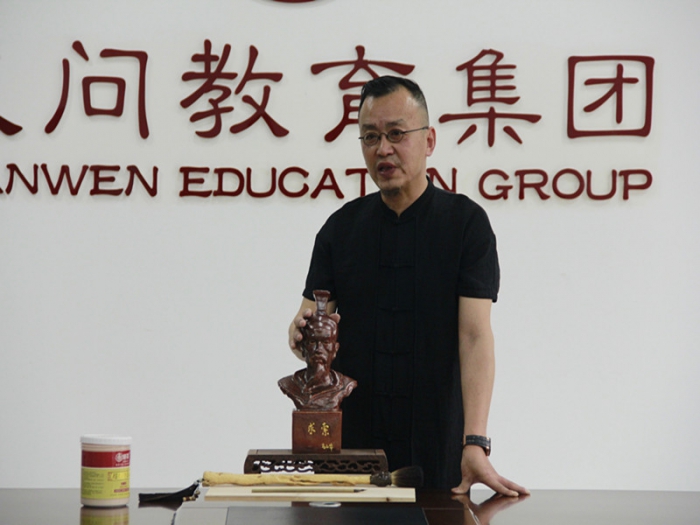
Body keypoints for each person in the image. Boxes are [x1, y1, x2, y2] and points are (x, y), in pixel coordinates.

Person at [288, 76, 527, 496]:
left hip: (438, 451)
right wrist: (299, 332)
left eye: (396, 134)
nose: (383, 149)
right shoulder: (340, 229)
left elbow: (474, 337)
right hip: (353, 454)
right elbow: (307, 322)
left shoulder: (466, 225)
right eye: (370, 137)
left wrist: (475, 442)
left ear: (429, 140)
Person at [279, 290, 357, 411]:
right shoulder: (290, 384)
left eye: (325, 343)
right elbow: (299, 326)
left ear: (335, 348)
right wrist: (297, 335)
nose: (319, 349)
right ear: (304, 347)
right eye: (312, 342)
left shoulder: (344, 385)